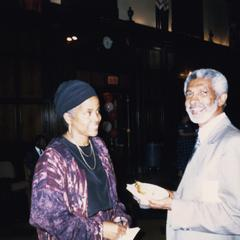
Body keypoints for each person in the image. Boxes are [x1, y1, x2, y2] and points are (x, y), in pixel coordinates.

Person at [29, 80, 131, 240]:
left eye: (98, 110)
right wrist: (99, 230)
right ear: (68, 118)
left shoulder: (99, 146)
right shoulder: (53, 158)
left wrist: (120, 217)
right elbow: (46, 218)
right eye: (88, 112)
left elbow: (112, 198)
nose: (97, 118)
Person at [149, 69, 240, 239]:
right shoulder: (206, 137)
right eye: (189, 93)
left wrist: (173, 205)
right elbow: (208, 197)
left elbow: (235, 217)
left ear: (222, 98)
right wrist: (170, 196)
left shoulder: (233, 142)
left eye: (203, 92)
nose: (193, 100)